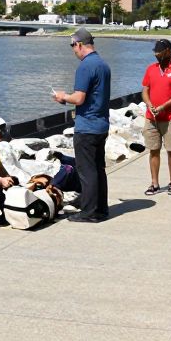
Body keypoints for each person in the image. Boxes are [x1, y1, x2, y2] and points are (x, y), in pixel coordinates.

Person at [53, 26, 110, 223]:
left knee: (87, 172)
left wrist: (62, 97)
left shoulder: (85, 66)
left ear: (79, 44)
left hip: (87, 126)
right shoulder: (103, 64)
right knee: (98, 169)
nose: (73, 50)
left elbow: (79, 98)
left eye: (72, 46)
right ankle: (101, 209)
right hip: (102, 125)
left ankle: (89, 212)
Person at [141, 39, 171, 196]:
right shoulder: (151, 69)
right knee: (153, 150)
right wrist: (149, 104)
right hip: (152, 117)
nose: (158, 55)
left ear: (169, 51)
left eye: (161, 52)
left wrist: (164, 106)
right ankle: (154, 183)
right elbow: (145, 90)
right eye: (156, 52)